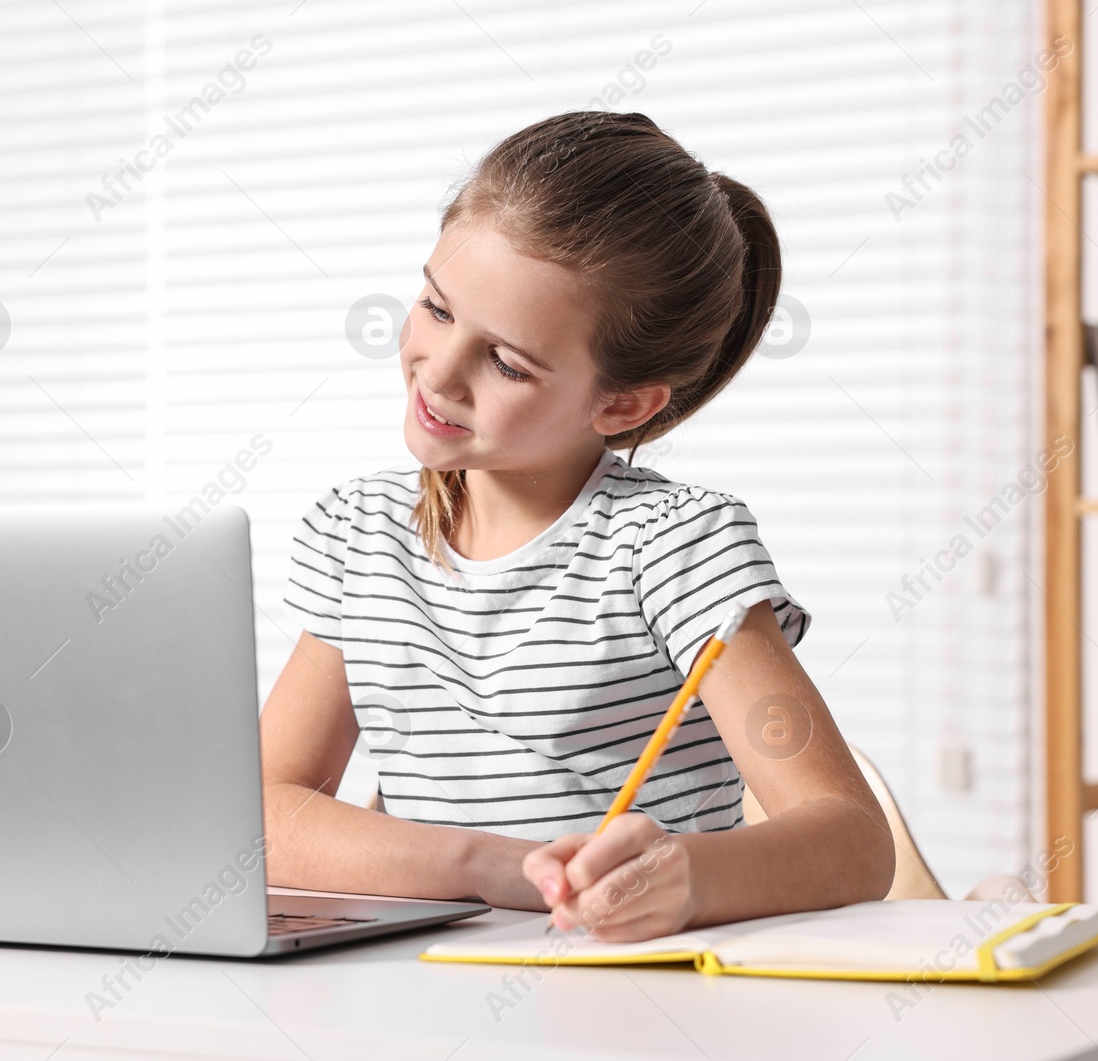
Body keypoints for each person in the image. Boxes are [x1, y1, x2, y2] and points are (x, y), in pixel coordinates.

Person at [262, 110, 893, 942]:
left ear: (622, 402)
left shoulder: (675, 545)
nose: (439, 372)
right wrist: (494, 868)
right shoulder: (359, 534)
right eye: (437, 308)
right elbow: (260, 814)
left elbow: (852, 840)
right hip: (417, 987)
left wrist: (685, 877)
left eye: (508, 362)